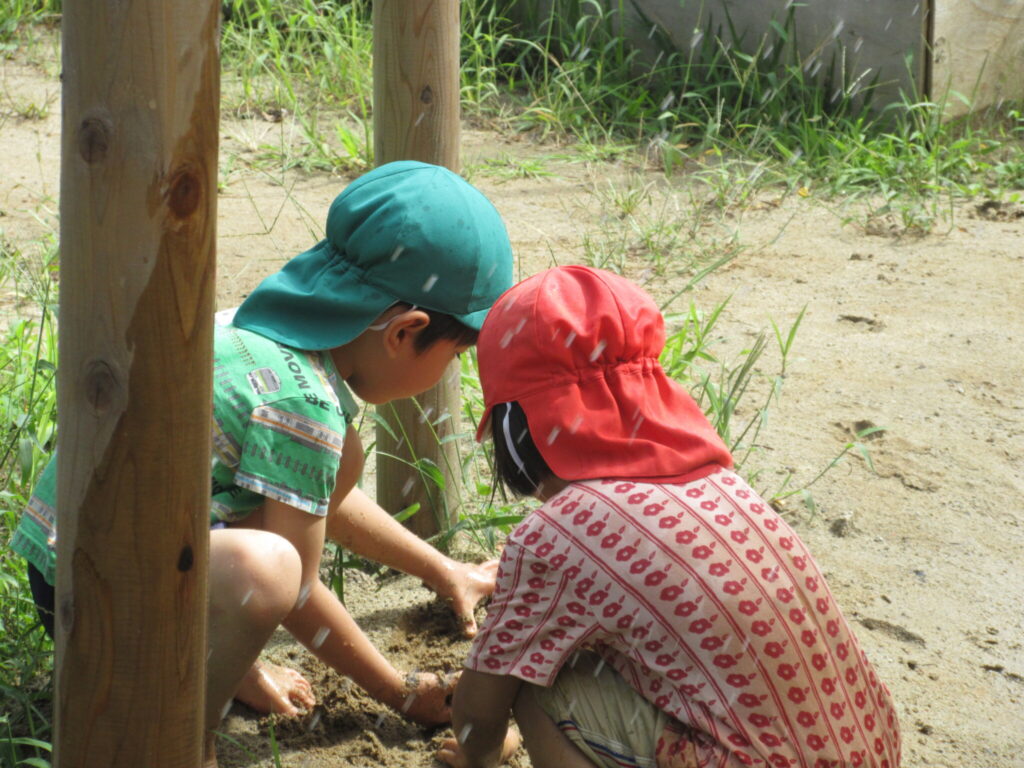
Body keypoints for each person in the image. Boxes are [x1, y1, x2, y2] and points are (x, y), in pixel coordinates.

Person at [10, 161, 514, 746]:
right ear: (405, 332)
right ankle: (174, 744)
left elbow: (308, 498)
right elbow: (295, 590)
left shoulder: (254, 330)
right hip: (100, 606)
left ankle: (209, 656)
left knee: (320, 484)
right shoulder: (307, 409)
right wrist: (400, 692)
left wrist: (440, 569)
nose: (451, 369)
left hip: (65, 569)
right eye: (455, 356)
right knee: (270, 569)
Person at [437, 266, 901, 768]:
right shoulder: (722, 486)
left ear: (514, 429)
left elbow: (480, 708)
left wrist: (479, 755)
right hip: (868, 749)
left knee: (536, 679)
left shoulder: (558, 531)